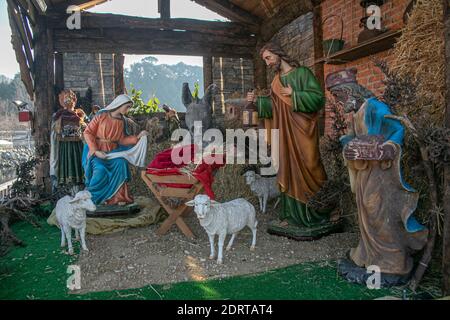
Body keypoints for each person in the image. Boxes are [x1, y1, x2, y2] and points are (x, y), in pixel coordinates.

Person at [326, 68, 428, 286]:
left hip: (381, 174)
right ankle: (370, 257)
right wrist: (349, 145)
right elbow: (352, 138)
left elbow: (397, 131)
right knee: (367, 213)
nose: (339, 102)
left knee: (379, 213)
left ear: (349, 92)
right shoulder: (356, 113)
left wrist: (383, 150)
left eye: (339, 96)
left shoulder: (375, 107)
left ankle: (393, 264)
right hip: (364, 172)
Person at [248, 42, 337, 240]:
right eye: (265, 60)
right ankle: (291, 215)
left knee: (311, 165)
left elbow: (318, 99)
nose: (268, 62)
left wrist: (295, 95)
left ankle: (323, 211)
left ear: (279, 54)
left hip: (303, 130)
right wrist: (257, 102)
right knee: (287, 169)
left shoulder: (303, 74)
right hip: (285, 134)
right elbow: (272, 108)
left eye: (269, 58)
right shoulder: (275, 82)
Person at [82, 94, 148, 206]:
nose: (128, 110)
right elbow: (88, 132)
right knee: (101, 169)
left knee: (121, 163)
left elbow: (121, 140)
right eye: (127, 107)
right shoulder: (102, 115)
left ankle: (118, 198)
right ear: (120, 104)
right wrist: (96, 151)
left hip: (113, 153)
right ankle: (92, 198)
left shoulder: (122, 121)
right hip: (98, 152)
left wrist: (137, 137)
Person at [50, 89, 86, 188]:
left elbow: (85, 126)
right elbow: (55, 129)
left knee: (78, 160)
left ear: (74, 101)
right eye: (66, 100)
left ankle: (80, 181)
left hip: (77, 143)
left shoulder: (79, 113)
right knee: (66, 160)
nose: (69, 102)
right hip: (65, 144)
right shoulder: (59, 114)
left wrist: (81, 125)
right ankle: (66, 185)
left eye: (71, 99)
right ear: (63, 102)